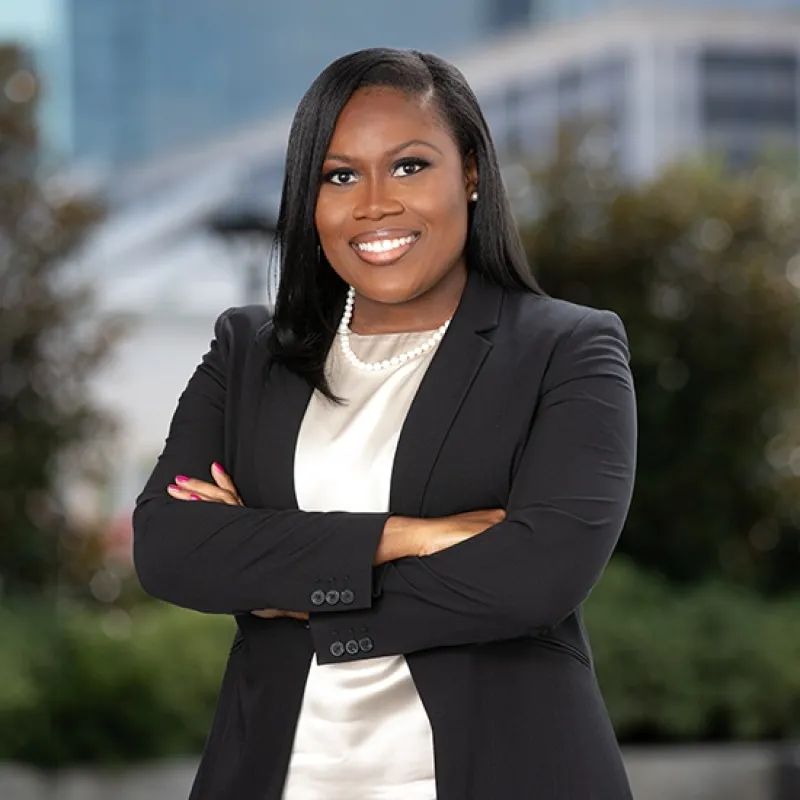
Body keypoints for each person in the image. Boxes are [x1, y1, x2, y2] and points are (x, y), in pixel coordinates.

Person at [133, 47, 637, 800]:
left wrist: (297, 587)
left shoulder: (566, 348)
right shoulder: (248, 355)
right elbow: (171, 549)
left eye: (408, 166)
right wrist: (407, 535)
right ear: (310, 198)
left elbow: (538, 576)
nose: (375, 203)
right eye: (339, 175)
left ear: (469, 171)